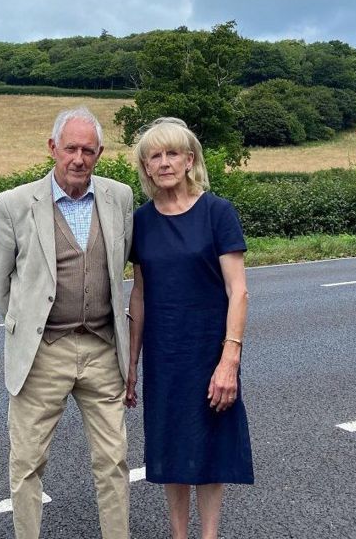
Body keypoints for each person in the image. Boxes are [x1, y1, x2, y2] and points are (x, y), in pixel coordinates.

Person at [0, 106, 135, 539]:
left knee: (113, 459)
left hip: (103, 349)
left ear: (100, 153)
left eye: (89, 150)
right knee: (27, 462)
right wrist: (27, 323)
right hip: (43, 353)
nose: (79, 159)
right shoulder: (14, 204)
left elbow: (119, 262)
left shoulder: (118, 197)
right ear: (53, 148)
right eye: (71, 148)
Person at [124, 117, 253, 539]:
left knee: (211, 447)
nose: (163, 163)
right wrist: (131, 365)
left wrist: (229, 360)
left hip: (208, 352)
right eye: (153, 157)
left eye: (172, 154)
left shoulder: (218, 212)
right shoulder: (141, 221)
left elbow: (238, 292)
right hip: (165, 356)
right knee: (172, 450)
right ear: (145, 167)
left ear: (190, 159)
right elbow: (139, 295)